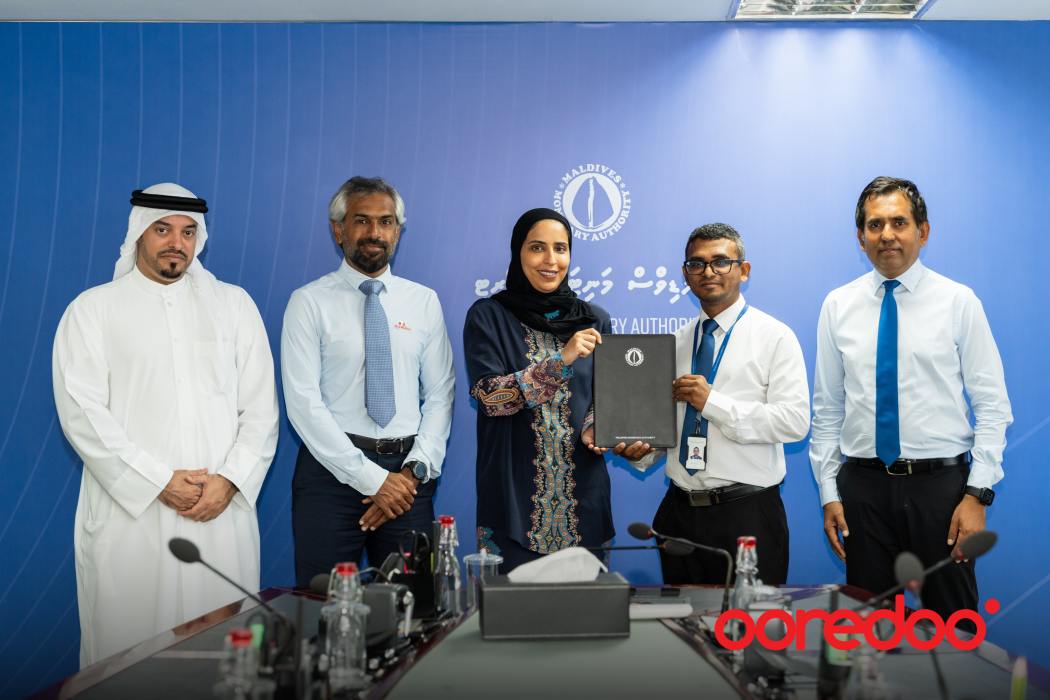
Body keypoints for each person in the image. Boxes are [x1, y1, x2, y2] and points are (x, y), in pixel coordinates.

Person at [53, 183, 279, 667]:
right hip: (131, 520)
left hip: (219, 515)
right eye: (162, 229)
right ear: (138, 232)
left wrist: (230, 480)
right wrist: (157, 481)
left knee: (223, 659)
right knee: (127, 661)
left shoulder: (234, 306)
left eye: (188, 232)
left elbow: (261, 410)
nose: (176, 242)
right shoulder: (92, 310)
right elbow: (82, 414)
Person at [811, 176, 1012, 623]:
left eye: (899, 222)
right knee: (869, 631)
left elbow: (993, 407)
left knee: (954, 631)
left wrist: (977, 494)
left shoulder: (958, 302)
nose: (887, 234)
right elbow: (826, 411)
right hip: (862, 491)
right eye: (875, 225)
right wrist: (829, 494)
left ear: (923, 231)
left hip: (941, 493)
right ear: (860, 237)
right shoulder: (837, 306)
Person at [282, 176, 454, 586]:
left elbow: (441, 395)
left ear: (398, 231)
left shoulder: (423, 301)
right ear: (338, 229)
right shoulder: (308, 302)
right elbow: (303, 403)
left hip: (409, 480)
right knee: (322, 605)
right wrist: (373, 480)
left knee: (415, 609)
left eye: (386, 221)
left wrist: (410, 475)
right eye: (362, 220)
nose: (375, 232)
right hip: (330, 477)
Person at [464, 208, 645, 572]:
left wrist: (598, 425)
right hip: (512, 505)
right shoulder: (489, 316)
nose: (551, 260)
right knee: (509, 608)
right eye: (537, 247)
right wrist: (561, 360)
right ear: (518, 252)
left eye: (560, 248)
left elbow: (605, 397)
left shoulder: (594, 319)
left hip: (584, 504)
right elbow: (489, 398)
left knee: (586, 608)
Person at [629, 223, 809, 585]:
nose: (708, 271)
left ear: (744, 270)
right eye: (697, 264)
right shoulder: (673, 344)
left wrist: (712, 402)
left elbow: (794, 422)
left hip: (747, 514)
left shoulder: (775, 337)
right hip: (678, 513)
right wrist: (641, 452)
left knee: (749, 620)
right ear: (685, 274)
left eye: (721, 261)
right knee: (686, 620)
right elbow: (671, 428)